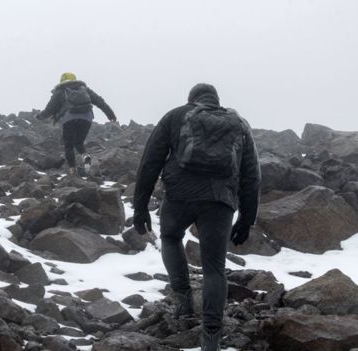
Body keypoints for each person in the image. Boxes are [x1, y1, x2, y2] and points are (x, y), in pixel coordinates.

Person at [133, 83, 260, 350]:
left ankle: (183, 300)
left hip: (179, 195)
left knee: (170, 237)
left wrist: (140, 206)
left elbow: (150, 162)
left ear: (192, 100)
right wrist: (247, 219)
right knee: (214, 267)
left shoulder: (176, 116)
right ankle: (211, 337)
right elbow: (251, 175)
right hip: (220, 201)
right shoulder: (239, 124)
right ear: (216, 101)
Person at [35, 72, 117, 175]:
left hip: (69, 118)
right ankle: (85, 156)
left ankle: (72, 170)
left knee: (68, 144)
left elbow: (50, 108)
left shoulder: (61, 90)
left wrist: (40, 117)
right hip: (86, 118)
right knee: (78, 142)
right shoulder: (84, 89)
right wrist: (110, 115)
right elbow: (99, 101)